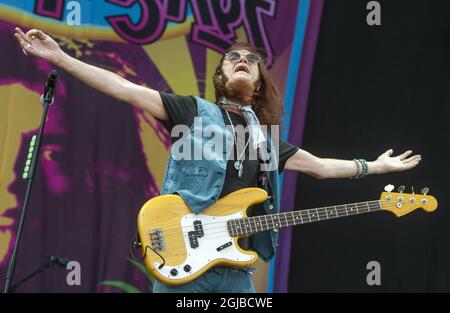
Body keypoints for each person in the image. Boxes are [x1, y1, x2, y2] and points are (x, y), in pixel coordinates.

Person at [13, 27, 422, 293]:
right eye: (233, 59)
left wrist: (375, 167)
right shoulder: (192, 111)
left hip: (235, 274)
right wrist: (62, 59)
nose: (242, 61)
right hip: (182, 261)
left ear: (260, 81)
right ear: (221, 77)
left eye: (251, 60)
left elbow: (320, 166)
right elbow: (124, 89)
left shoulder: (266, 139)